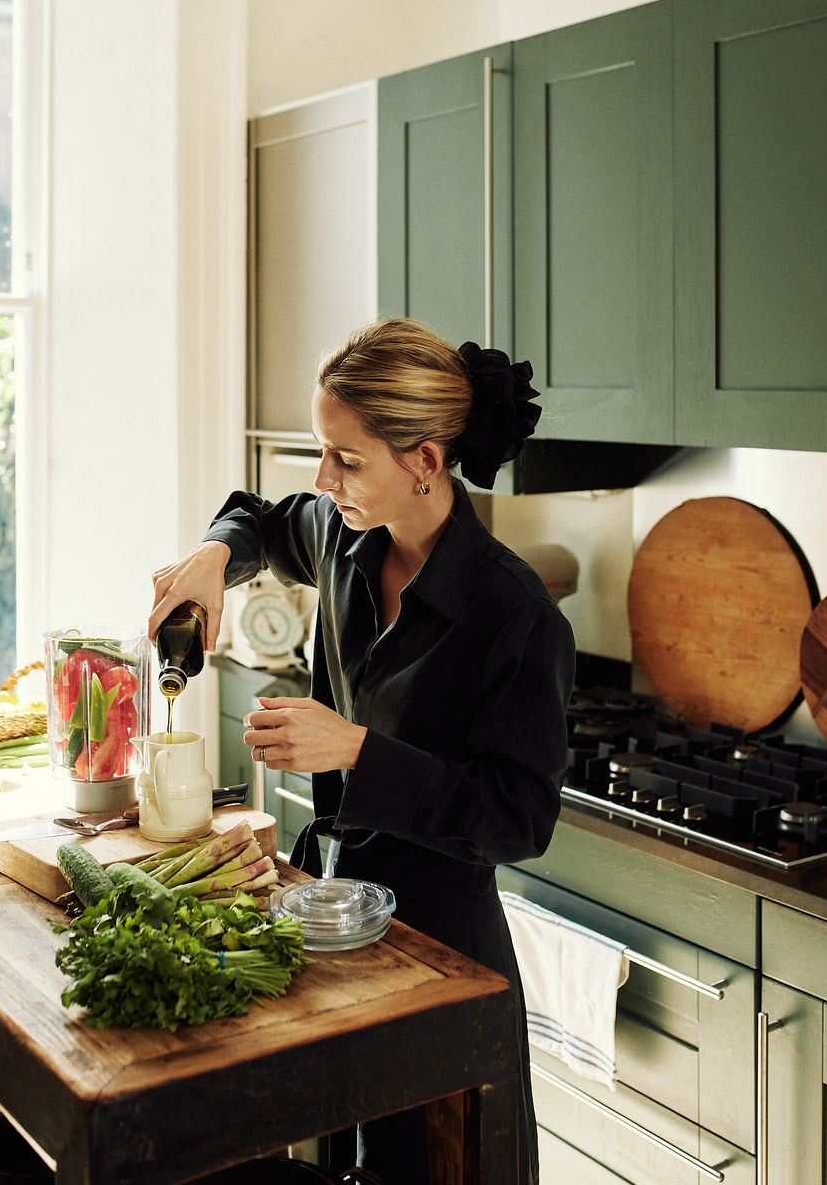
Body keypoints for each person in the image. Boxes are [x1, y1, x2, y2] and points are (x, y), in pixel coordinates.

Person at [148, 318, 575, 1185]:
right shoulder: (345, 539)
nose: (323, 477)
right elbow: (263, 520)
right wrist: (213, 555)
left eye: (347, 459)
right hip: (328, 918)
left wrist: (355, 751)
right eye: (321, 451)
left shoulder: (514, 613)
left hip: (441, 956)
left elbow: (519, 819)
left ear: (424, 461)